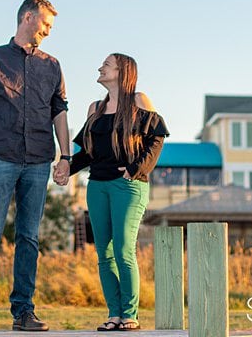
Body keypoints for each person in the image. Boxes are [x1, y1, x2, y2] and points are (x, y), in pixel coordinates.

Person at [0, 0, 72, 333]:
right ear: (28, 17)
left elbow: (59, 112)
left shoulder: (53, 66)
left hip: (38, 160)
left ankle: (23, 312)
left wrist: (65, 156)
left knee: (29, 237)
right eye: (46, 24)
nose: (49, 31)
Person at [69, 53, 168, 331]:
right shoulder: (95, 109)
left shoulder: (138, 101)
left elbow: (156, 139)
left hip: (128, 185)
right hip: (97, 187)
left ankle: (130, 314)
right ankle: (114, 314)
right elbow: (87, 152)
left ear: (123, 71)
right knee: (104, 253)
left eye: (107, 64)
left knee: (124, 249)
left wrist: (136, 168)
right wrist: (67, 168)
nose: (100, 67)